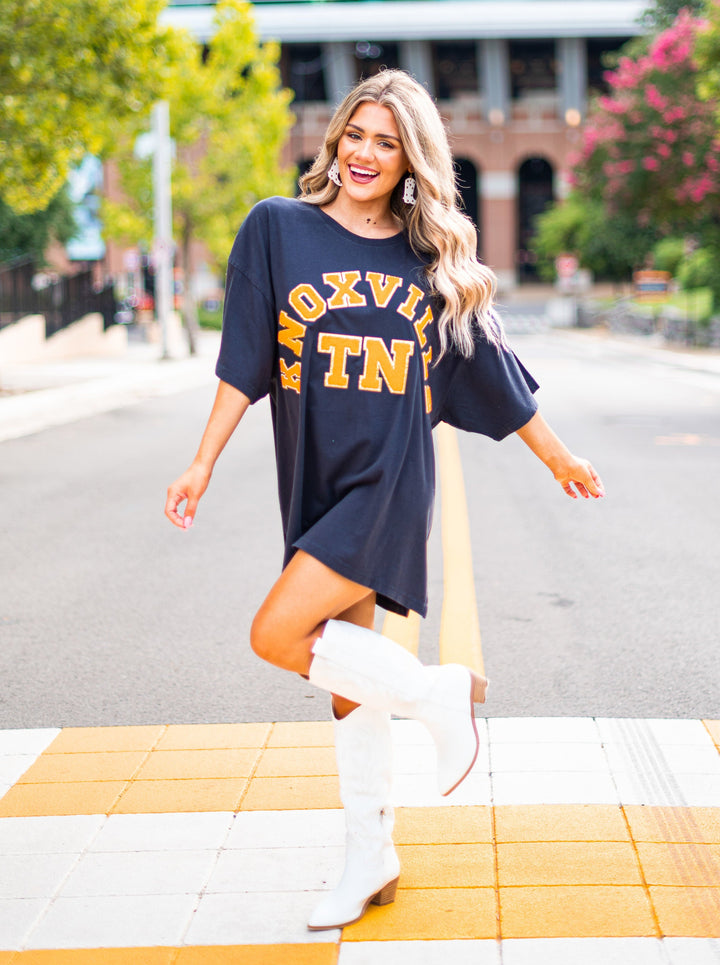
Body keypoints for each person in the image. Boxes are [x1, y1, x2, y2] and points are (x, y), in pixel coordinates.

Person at [165, 69, 604, 932]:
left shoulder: (428, 257)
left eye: (387, 141)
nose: (366, 153)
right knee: (344, 681)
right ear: (335, 141)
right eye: (355, 135)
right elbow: (243, 361)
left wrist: (558, 456)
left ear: (413, 160)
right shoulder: (276, 231)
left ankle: (442, 695)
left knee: (277, 633)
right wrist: (200, 463)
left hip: (391, 478)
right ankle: (371, 852)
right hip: (316, 475)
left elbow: (492, 370)